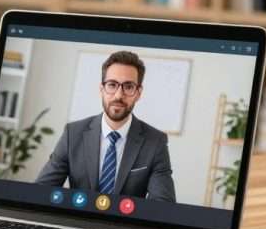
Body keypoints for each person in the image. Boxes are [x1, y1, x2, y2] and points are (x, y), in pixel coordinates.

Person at [33, 50, 176, 202]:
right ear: (101, 89)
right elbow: (41, 191)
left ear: (138, 93)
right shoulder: (72, 134)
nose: (118, 95)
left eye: (128, 87)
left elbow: (163, 205)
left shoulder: (155, 142)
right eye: (112, 85)